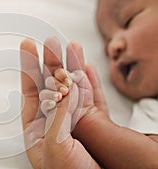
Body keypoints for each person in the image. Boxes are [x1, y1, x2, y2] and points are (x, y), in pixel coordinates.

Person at [20, 0, 158, 168]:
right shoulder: (150, 111)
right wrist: (88, 122)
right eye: (106, 47)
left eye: (128, 20)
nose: (114, 46)